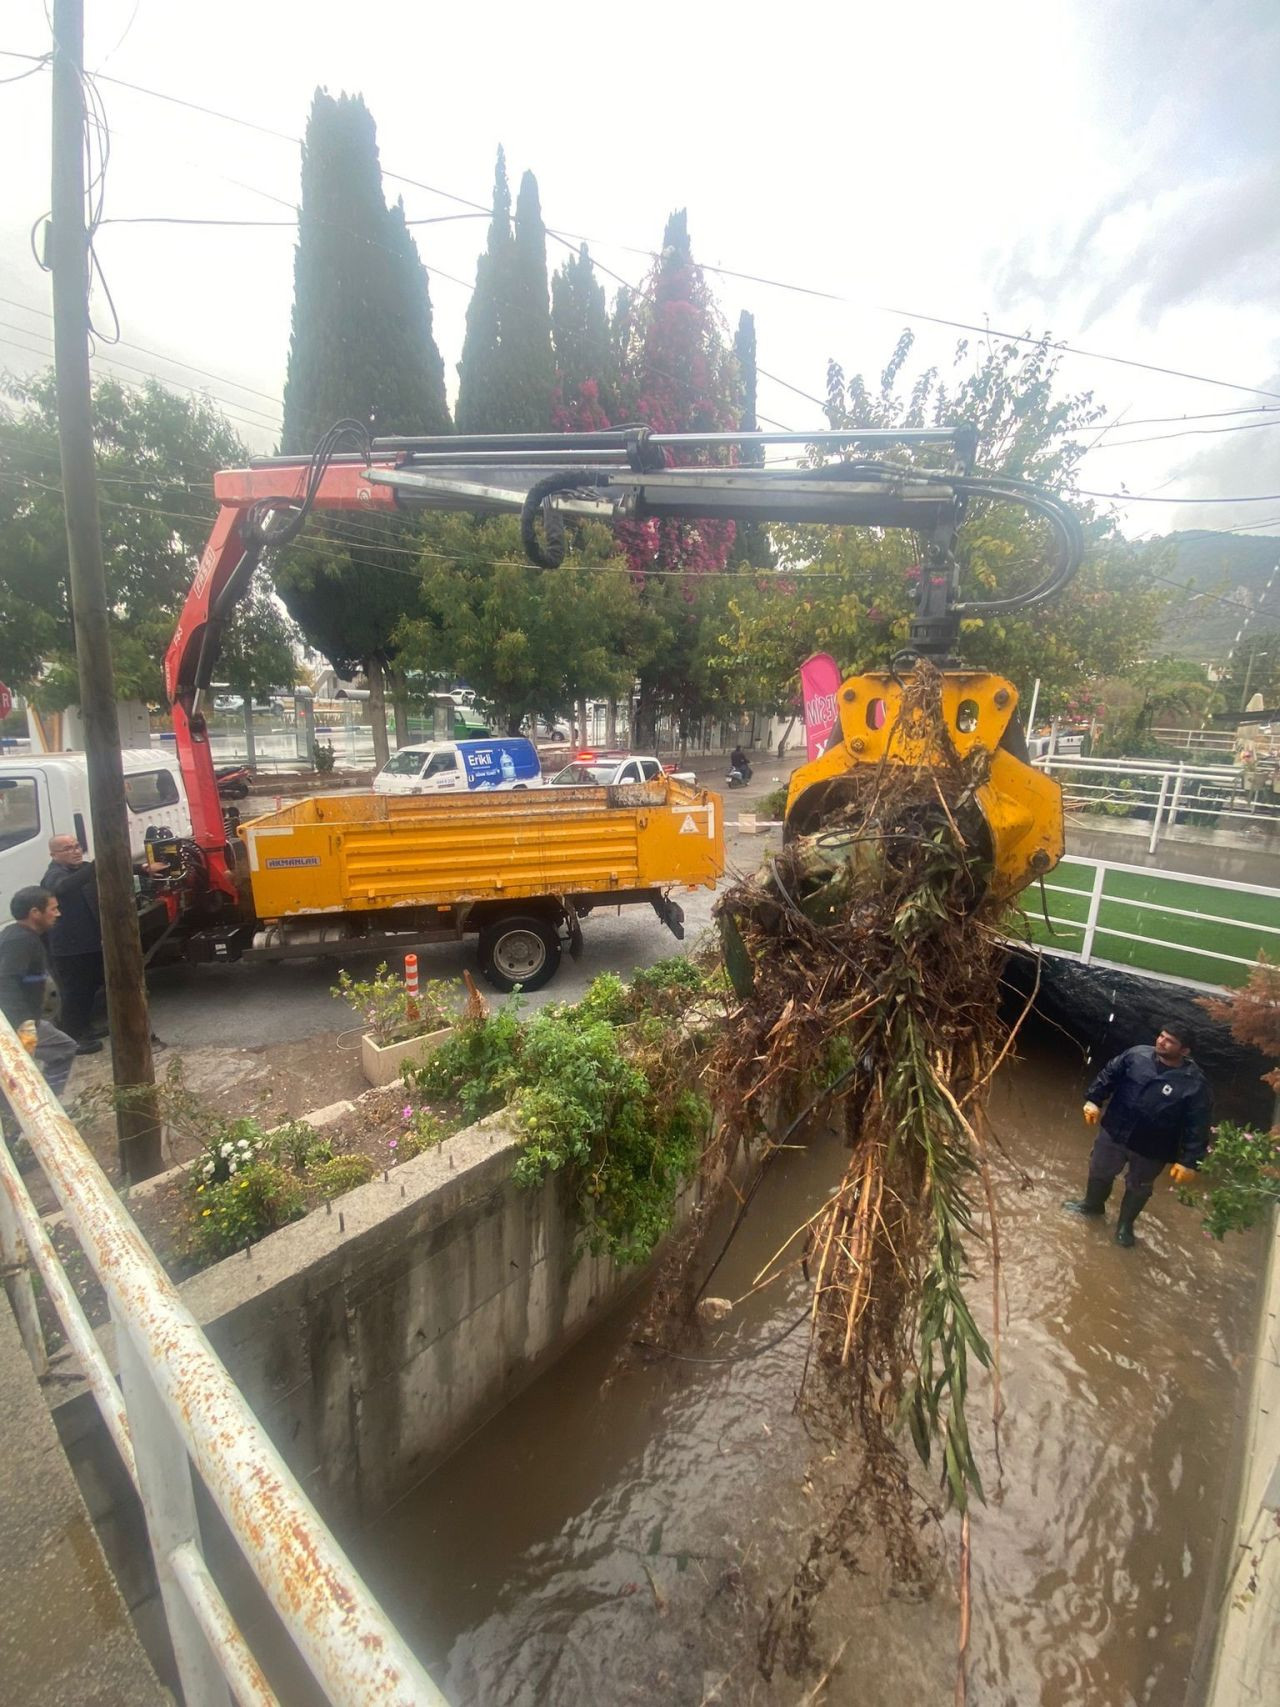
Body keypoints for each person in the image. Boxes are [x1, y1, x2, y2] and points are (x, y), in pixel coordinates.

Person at [1064, 1022, 1212, 1247]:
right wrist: (1094, 1099)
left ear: (1184, 1051)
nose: (1161, 1041)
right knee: (1099, 1169)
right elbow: (1109, 1074)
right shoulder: (1136, 1055)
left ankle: (1125, 1225)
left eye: (1170, 1040)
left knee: (1139, 1185)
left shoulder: (1194, 1084)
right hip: (1114, 1131)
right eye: (1161, 1036)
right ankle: (1092, 1205)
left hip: (1153, 1147)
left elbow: (1198, 1124)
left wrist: (1189, 1161)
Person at [0, 886, 78, 1105]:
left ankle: (38, 1105)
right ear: (35, 912)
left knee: (60, 1050)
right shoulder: (19, 941)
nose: (58, 913)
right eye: (52, 909)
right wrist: (23, 1025)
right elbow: (5, 982)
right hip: (16, 1023)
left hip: (28, 1019)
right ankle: (39, 1107)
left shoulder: (23, 935)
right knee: (22, 1070)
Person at [41, 833, 105, 1053]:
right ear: (54, 855)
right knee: (75, 993)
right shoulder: (54, 875)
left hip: (89, 943)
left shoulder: (80, 869)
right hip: (70, 948)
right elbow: (63, 887)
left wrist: (144, 869)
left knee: (90, 988)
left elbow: (100, 870)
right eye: (68, 848)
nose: (76, 851)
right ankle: (71, 1039)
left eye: (77, 846)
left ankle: (85, 1028)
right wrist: (95, 866)